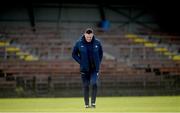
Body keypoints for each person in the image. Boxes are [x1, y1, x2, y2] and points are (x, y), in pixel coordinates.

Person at [72, 28, 103, 108]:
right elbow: (74, 54)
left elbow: (100, 54)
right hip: (84, 69)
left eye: (90, 37)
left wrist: (98, 63)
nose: (89, 38)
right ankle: (86, 104)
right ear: (85, 35)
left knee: (94, 83)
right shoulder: (79, 43)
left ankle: (93, 103)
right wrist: (81, 62)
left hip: (94, 69)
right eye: (87, 37)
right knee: (86, 85)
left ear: (92, 35)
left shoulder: (97, 43)